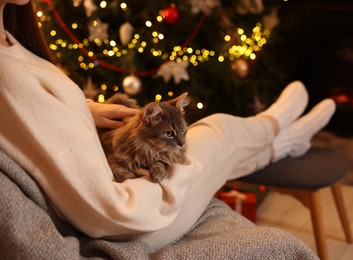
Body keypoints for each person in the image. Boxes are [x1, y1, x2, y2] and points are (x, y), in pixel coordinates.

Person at [0, 0, 334, 256]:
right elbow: (105, 212)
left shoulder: (9, 39)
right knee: (219, 133)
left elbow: (34, 125)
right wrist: (175, 179)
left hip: (122, 201)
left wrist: (82, 108)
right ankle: (276, 127)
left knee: (217, 141)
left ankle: (283, 140)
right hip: (133, 216)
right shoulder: (6, 75)